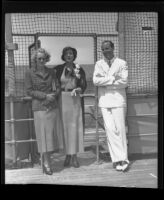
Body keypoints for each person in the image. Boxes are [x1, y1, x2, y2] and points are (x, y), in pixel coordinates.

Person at [25, 48, 64, 175]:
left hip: (52, 106)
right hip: (39, 107)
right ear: (35, 60)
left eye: (43, 58)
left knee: (51, 136)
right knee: (43, 136)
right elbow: (29, 91)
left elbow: (57, 86)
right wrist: (44, 96)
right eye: (39, 59)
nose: (42, 61)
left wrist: (53, 95)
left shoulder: (52, 71)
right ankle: (46, 163)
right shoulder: (29, 73)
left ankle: (46, 159)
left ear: (46, 59)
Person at [93, 40, 129, 172]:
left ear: (113, 48)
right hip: (104, 101)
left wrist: (105, 81)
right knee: (110, 130)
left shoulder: (122, 63)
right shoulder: (98, 64)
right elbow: (95, 81)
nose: (105, 51)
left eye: (108, 48)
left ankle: (123, 159)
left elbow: (124, 82)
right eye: (103, 49)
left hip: (118, 101)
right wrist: (113, 78)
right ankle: (117, 159)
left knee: (120, 130)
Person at [55, 46, 87, 168]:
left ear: (74, 56)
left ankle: (74, 156)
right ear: (63, 55)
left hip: (74, 99)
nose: (69, 55)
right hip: (62, 99)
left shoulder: (79, 69)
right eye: (67, 53)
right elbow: (52, 82)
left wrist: (80, 88)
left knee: (75, 127)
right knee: (64, 128)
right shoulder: (58, 69)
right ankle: (67, 154)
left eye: (71, 53)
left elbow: (84, 84)